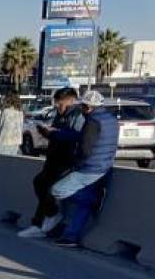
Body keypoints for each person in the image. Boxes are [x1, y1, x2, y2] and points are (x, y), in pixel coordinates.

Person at [51, 91, 117, 248]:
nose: (80, 108)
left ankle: (91, 201)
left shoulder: (93, 121)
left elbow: (86, 148)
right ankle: (70, 236)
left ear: (88, 107)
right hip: (104, 168)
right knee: (83, 206)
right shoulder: (112, 120)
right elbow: (90, 138)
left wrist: (76, 163)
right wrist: (60, 134)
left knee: (57, 190)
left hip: (89, 169)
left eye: (82, 106)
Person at [18, 87, 86, 238]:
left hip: (66, 159)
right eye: (56, 104)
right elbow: (58, 133)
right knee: (39, 183)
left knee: (49, 188)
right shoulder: (61, 115)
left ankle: (40, 224)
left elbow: (77, 136)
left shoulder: (78, 115)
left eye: (60, 104)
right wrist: (47, 133)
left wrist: (56, 133)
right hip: (54, 157)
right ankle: (47, 217)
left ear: (71, 101)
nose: (57, 107)